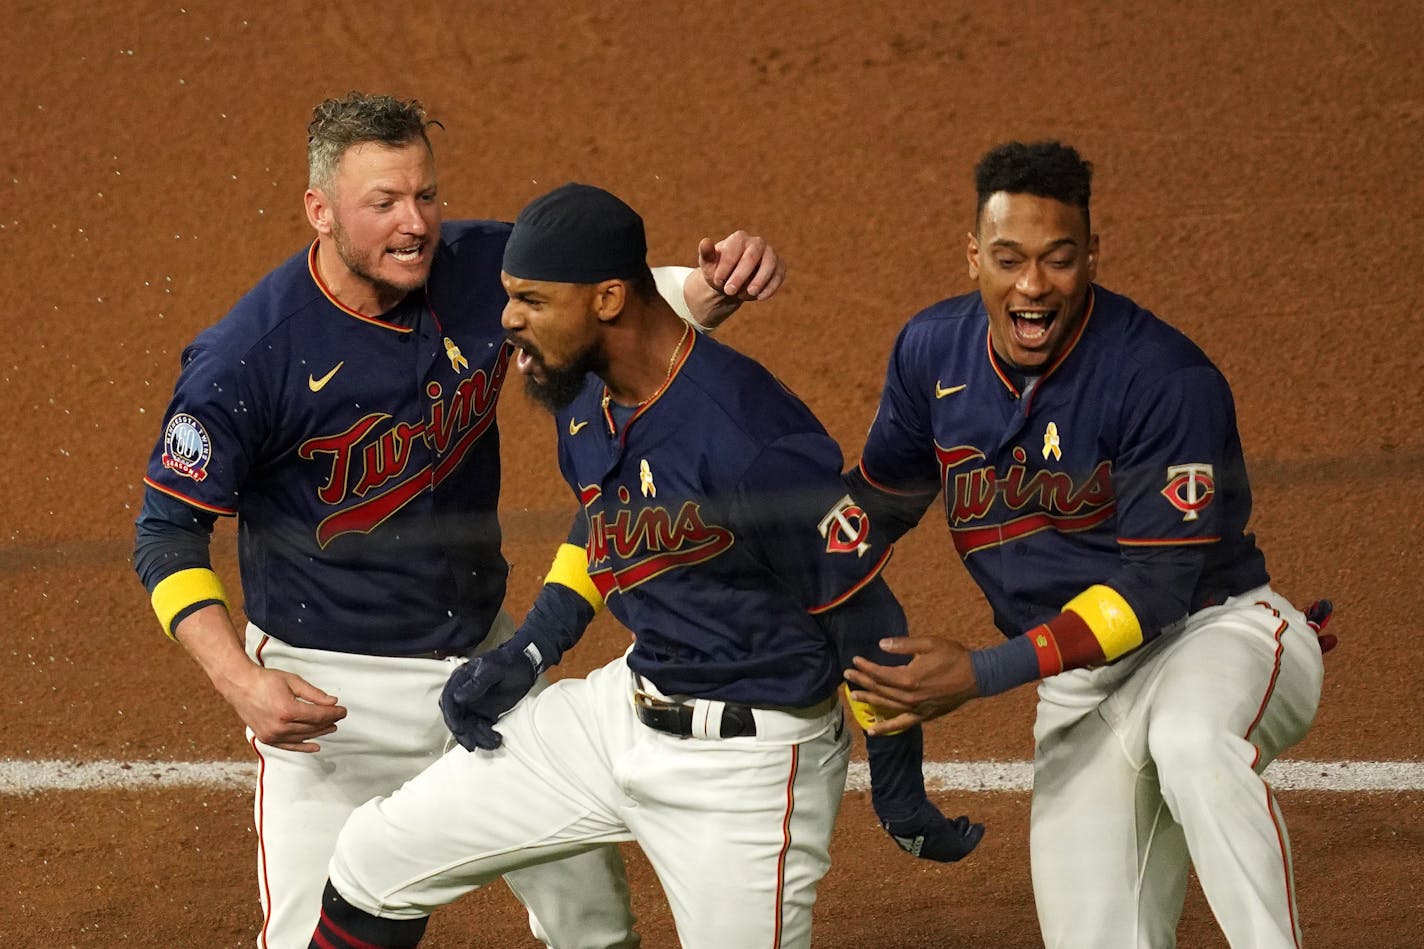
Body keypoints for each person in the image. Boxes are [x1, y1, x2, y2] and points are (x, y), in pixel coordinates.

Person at [132, 92, 790, 949]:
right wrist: (240, 680)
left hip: (487, 669)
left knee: (592, 922)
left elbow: (614, 307)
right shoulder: (249, 356)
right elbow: (167, 531)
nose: (417, 225)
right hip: (331, 703)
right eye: (385, 204)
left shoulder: (483, 266)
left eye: (426, 195)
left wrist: (714, 284)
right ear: (319, 211)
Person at [305, 183, 983, 949]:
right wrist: (531, 650)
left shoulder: (753, 440)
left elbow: (866, 618)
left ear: (608, 299)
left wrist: (897, 786)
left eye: (530, 299)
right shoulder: (582, 391)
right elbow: (606, 521)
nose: (508, 320)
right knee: (374, 858)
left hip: (748, 767)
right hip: (623, 709)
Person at [841, 140, 1334, 948]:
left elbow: (1154, 592)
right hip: (1078, 681)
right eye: (1008, 258)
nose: (1032, 285)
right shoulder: (932, 354)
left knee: (1188, 737)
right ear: (972, 256)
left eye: (1058, 260)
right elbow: (874, 507)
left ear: (1093, 256)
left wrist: (980, 671)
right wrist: (783, 558)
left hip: (1213, 633)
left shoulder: (1162, 378)